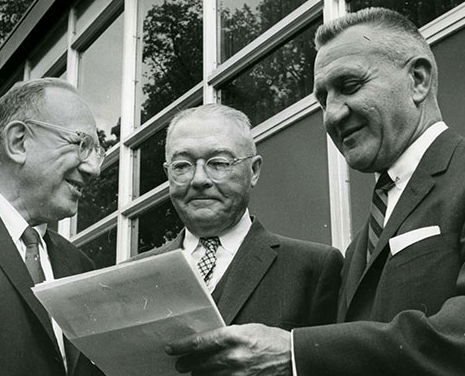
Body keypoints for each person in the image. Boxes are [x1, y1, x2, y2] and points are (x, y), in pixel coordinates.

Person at [163, 8, 465, 375]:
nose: (332, 115)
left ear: (417, 79)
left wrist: (296, 352)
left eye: (349, 86)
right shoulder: (357, 249)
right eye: (323, 99)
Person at [0, 78, 106, 375]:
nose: (94, 168)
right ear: (18, 142)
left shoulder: (81, 267)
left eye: (97, 151)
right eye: (82, 144)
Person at [134, 103, 343, 329]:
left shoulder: (313, 268)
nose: (199, 179)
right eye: (182, 165)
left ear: (253, 171)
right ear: (168, 175)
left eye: (219, 163)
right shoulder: (133, 277)